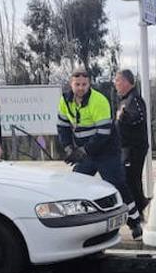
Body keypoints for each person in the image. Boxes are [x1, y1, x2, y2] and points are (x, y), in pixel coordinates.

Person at [57, 69, 143, 239]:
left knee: (118, 184)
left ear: (89, 84)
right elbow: (63, 126)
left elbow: (103, 133)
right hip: (86, 152)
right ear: (71, 84)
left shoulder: (99, 100)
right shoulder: (64, 101)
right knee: (75, 185)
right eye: (77, 84)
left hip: (107, 151)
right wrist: (68, 148)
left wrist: (83, 151)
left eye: (84, 84)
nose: (81, 88)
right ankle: (80, 225)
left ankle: (135, 223)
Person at [112, 69, 149, 212]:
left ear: (126, 82)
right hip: (126, 148)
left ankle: (139, 209)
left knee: (131, 180)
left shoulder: (134, 99)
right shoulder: (125, 100)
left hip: (134, 148)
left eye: (118, 80)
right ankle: (139, 207)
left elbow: (138, 117)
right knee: (130, 179)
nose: (115, 84)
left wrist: (123, 116)